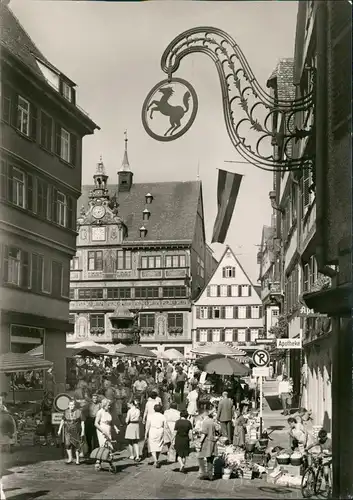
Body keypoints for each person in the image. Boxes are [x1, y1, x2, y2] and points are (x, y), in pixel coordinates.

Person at [94, 398, 119, 470]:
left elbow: (111, 422)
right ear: (104, 405)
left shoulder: (108, 412)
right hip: (102, 430)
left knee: (109, 446)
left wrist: (116, 428)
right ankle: (98, 462)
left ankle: (109, 463)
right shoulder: (99, 412)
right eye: (108, 405)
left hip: (108, 429)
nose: (109, 406)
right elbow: (95, 423)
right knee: (104, 446)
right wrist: (102, 431)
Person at [58, 399, 85, 465]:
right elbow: (62, 420)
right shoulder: (66, 412)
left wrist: (83, 431)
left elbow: (82, 422)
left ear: (75, 405)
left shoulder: (79, 412)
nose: (71, 406)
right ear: (68, 405)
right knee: (67, 444)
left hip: (76, 431)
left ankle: (77, 460)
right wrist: (59, 429)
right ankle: (70, 458)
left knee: (77, 445)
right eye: (70, 405)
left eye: (72, 405)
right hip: (68, 431)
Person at [197, 406, 219, 481]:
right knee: (210, 459)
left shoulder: (205, 422)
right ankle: (210, 475)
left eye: (201, 415)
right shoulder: (213, 421)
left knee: (200, 457)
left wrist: (199, 442)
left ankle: (204, 473)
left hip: (206, 442)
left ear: (204, 415)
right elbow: (219, 430)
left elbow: (204, 434)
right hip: (213, 442)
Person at [145, 404, 166, 468]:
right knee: (159, 445)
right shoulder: (163, 416)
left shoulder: (150, 416)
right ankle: (156, 459)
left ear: (154, 409)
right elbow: (165, 426)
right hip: (160, 430)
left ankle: (155, 460)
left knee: (152, 445)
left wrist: (146, 434)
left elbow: (147, 426)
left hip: (153, 430)